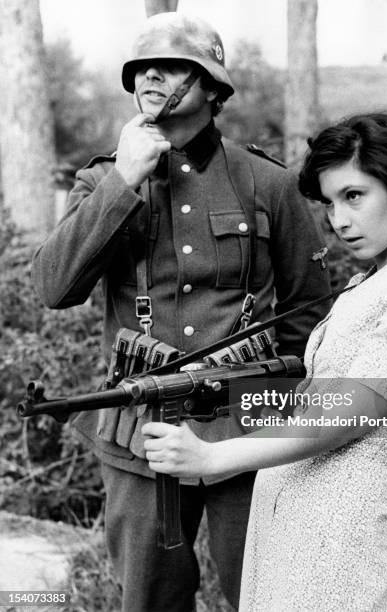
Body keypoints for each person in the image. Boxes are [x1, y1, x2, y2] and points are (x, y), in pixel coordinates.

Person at [31, 12, 330, 612]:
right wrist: (123, 181)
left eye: (169, 66)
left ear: (211, 87)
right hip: (141, 435)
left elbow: (306, 316)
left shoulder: (266, 183)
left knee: (267, 594)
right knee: (149, 599)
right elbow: (52, 287)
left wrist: (289, 425)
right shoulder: (103, 179)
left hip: (247, 433)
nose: (149, 77)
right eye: (141, 67)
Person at [142, 113, 387, 611]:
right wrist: (215, 389)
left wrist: (213, 456)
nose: (339, 219)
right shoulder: (377, 279)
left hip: (340, 525)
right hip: (293, 509)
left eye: (354, 196)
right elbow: (312, 396)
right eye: (330, 203)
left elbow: (342, 417)